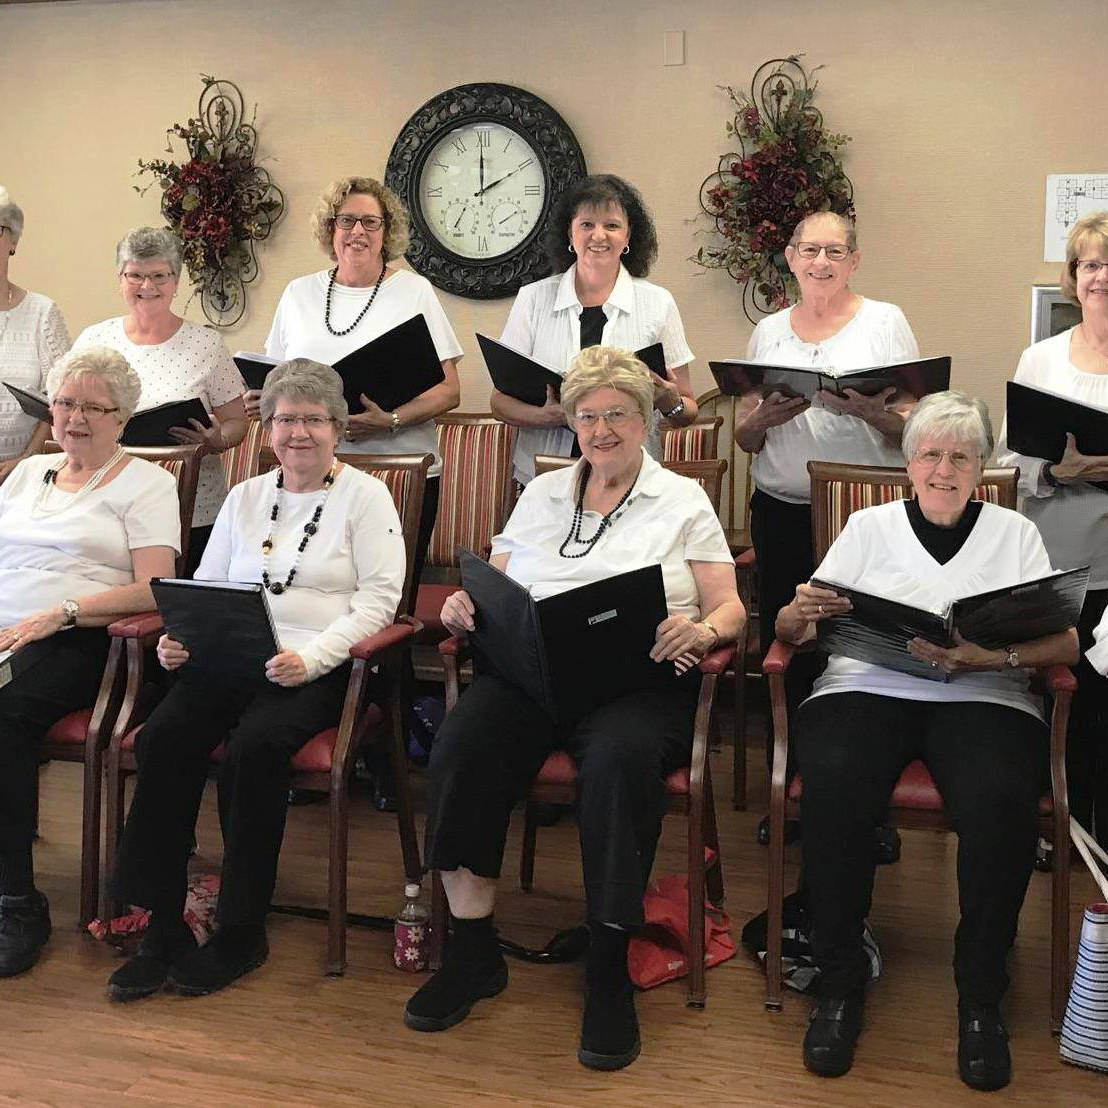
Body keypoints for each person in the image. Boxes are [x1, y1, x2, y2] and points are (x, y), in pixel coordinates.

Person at [405, 347, 744, 1070]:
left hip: (639, 682)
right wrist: (467, 604)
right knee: (463, 745)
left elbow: (731, 607)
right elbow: (494, 584)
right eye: (587, 415)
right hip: (533, 676)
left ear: (645, 421)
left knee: (619, 763)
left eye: (617, 413)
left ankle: (608, 967)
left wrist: (705, 629)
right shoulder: (542, 493)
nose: (601, 428)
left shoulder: (681, 499)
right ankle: (472, 952)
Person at [774, 391, 1078, 1091]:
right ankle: (840, 982)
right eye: (931, 455)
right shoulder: (866, 525)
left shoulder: (1013, 533)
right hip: (866, 686)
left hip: (981, 692)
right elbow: (795, 633)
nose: (944, 470)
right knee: (839, 786)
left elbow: (1062, 639)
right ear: (909, 462)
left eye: (961, 457)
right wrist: (795, 614)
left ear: (981, 467)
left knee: (1000, 799)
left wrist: (989, 659)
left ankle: (981, 995)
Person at [107, 358, 405, 1001]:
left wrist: (313, 658)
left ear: (339, 427)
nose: (299, 432)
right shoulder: (246, 497)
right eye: (285, 418)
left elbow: (380, 602)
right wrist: (181, 641)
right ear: (267, 426)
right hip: (233, 659)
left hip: (316, 667)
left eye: (314, 419)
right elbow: (208, 590)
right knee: (162, 739)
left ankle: (242, 928)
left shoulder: (366, 496)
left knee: (253, 749)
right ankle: (164, 924)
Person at [735, 211, 921, 849]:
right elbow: (743, 438)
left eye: (834, 251)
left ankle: (871, 810)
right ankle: (790, 797)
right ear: (789, 257)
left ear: (854, 260)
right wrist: (766, 417)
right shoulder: (767, 331)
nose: (821, 262)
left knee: (869, 651)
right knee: (790, 651)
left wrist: (872, 412)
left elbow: (912, 431)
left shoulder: (885, 322)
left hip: (867, 512)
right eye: (809, 250)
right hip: (784, 505)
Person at [0, 347, 180, 978]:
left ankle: (16, 902)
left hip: (85, 638)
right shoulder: (26, 474)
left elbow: (158, 586)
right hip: (6, 631)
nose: (74, 417)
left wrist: (63, 612)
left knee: (6, 716)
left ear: (122, 418)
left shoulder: (147, 483)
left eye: (92, 407)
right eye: (65, 402)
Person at [254, 175, 461, 590]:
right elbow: (276, 380)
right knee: (315, 588)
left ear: (387, 232)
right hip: (312, 471)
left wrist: (393, 419)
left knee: (388, 597)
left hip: (399, 469)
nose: (357, 233)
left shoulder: (414, 291)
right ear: (330, 229)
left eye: (371, 222)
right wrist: (262, 400)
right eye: (346, 221)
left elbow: (450, 389)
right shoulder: (299, 293)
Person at [997, 211, 1108, 850]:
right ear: (1073, 277)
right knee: (1052, 692)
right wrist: (1061, 472)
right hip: (1053, 554)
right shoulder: (1040, 360)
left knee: (1102, 704)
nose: (1100, 277)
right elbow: (1012, 461)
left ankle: (1093, 832)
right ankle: (1052, 822)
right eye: (1090, 264)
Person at [490, 174, 697, 488]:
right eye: (587, 224)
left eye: (612, 225)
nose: (599, 235)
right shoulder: (533, 299)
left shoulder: (658, 303)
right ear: (570, 235)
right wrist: (553, 416)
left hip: (631, 481)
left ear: (628, 238)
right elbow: (499, 402)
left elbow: (687, 408)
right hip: (544, 478)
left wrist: (671, 401)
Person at [72, 227, 247, 574]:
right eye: (135, 275)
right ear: (119, 279)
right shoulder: (94, 340)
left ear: (176, 280)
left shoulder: (206, 344)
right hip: (107, 502)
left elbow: (238, 420)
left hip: (192, 507)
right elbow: (67, 411)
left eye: (159, 276)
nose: (147, 287)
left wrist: (218, 440)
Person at [0, 185, 70, 482]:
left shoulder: (42, 313)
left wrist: (26, 460)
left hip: (24, 475)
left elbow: (63, 399)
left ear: (13, 240)